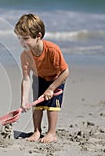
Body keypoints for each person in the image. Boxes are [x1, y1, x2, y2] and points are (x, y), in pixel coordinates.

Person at [14, 14, 69, 143]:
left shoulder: (52, 50)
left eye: (25, 38)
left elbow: (65, 72)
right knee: (37, 106)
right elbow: (26, 79)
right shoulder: (25, 55)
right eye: (19, 39)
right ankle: (37, 131)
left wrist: (51, 88)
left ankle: (51, 133)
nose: (22, 43)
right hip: (39, 78)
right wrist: (24, 100)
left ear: (38, 36)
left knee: (51, 106)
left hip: (56, 79)